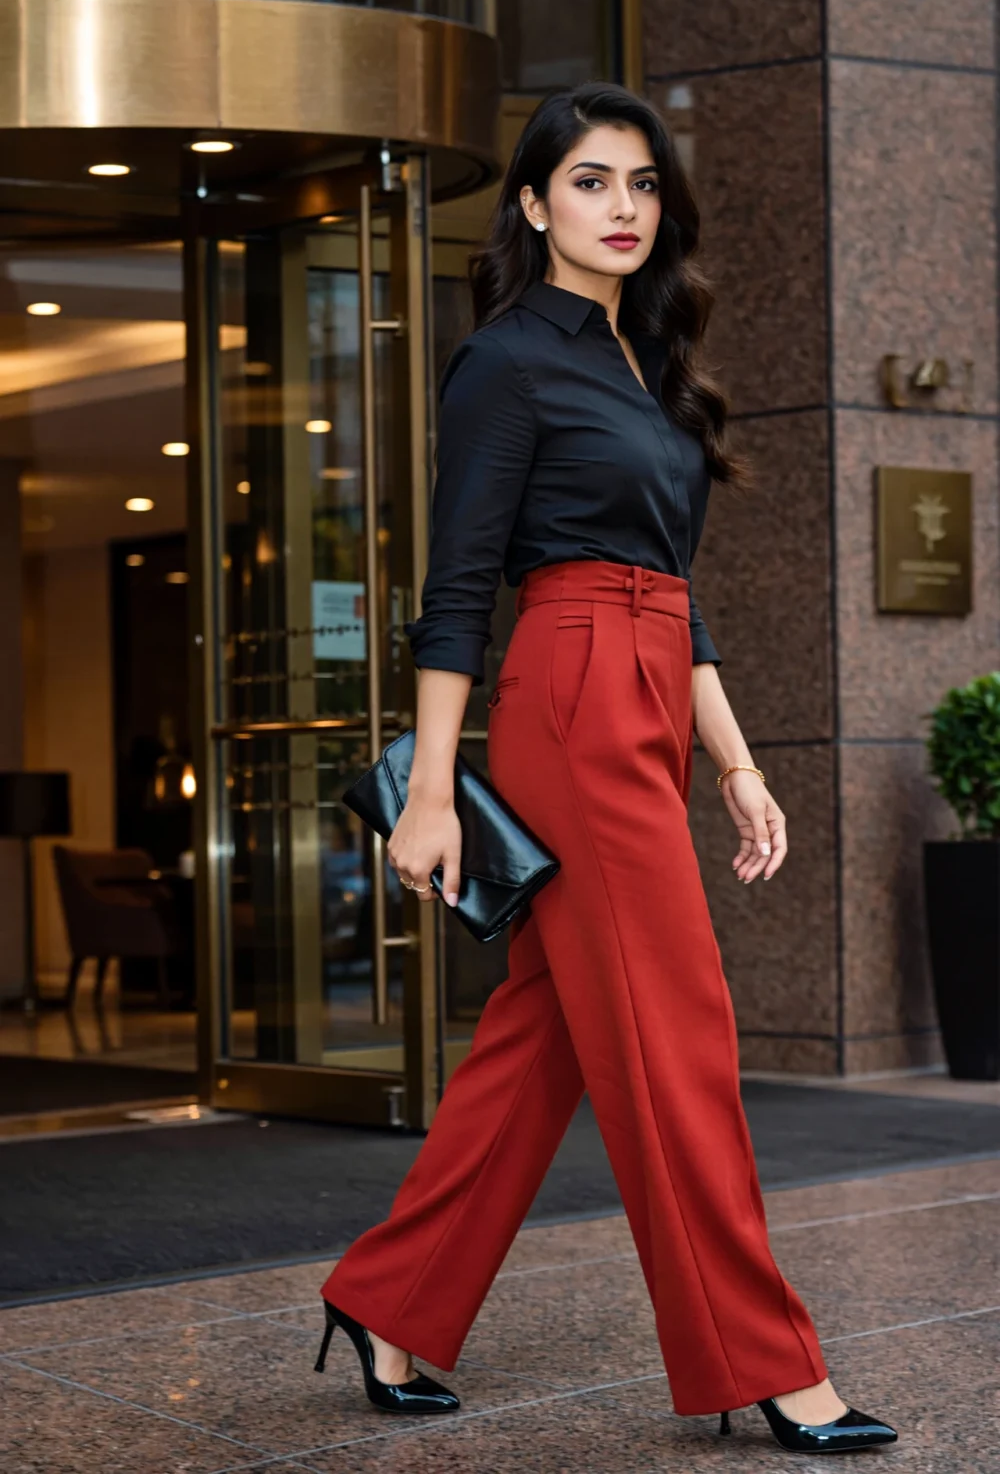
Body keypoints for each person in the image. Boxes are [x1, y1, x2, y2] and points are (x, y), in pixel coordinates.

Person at [313, 81, 898, 1456]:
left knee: (549, 1040)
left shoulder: (649, 363)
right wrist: (438, 789)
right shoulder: (509, 360)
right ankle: (768, 1360)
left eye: (640, 184)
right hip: (566, 695)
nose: (622, 208)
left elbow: (674, 594)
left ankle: (388, 1301)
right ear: (530, 203)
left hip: (643, 690)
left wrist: (741, 768)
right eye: (589, 182)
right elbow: (459, 588)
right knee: (678, 1024)